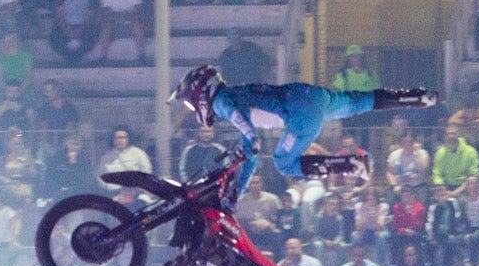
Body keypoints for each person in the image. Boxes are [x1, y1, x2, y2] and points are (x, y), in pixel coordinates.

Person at [169, 64, 436, 197]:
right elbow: (249, 149)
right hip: (309, 95)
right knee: (357, 101)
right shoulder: (234, 95)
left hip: (299, 114)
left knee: (283, 163)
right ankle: (416, 97)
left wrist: (250, 142)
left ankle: (351, 163)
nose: (195, 110)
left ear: (201, 93)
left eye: (192, 105)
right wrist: (238, 191)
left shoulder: (222, 101)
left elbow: (249, 134)